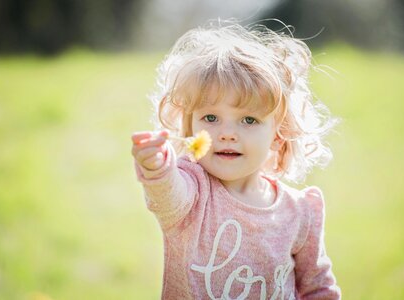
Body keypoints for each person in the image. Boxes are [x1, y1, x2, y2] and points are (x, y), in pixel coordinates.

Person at [131, 20, 341, 299]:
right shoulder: (193, 191)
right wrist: (158, 168)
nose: (227, 133)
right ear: (190, 127)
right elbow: (168, 195)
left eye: (249, 120)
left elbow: (318, 288)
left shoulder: (300, 212)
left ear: (278, 133)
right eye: (211, 118)